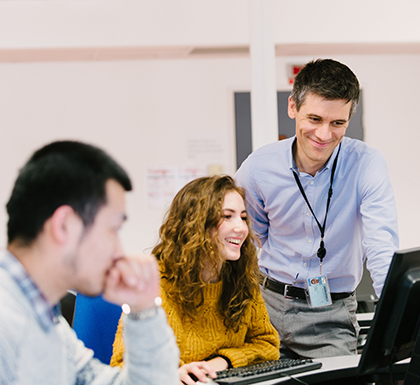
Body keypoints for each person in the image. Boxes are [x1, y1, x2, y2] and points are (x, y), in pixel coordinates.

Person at [234, 58, 399, 359]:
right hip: (266, 307)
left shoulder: (366, 164)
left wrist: (397, 316)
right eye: (314, 119)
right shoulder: (258, 168)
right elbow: (244, 241)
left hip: (331, 316)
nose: (324, 135)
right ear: (293, 108)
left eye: (338, 123)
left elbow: (381, 246)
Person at [0, 141, 179, 384]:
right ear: (65, 225)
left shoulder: (49, 323)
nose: (119, 252)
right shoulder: (8, 322)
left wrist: (144, 310)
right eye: (113, 229)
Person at [110, 175, 279, 384]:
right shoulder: (157, 285)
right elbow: (121, 367)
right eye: (227, 216)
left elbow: (268, 344)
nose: (242, 228)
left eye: (243, 217)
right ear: (196, 224)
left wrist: (224, 360)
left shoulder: (242, 278)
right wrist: (174, 373)